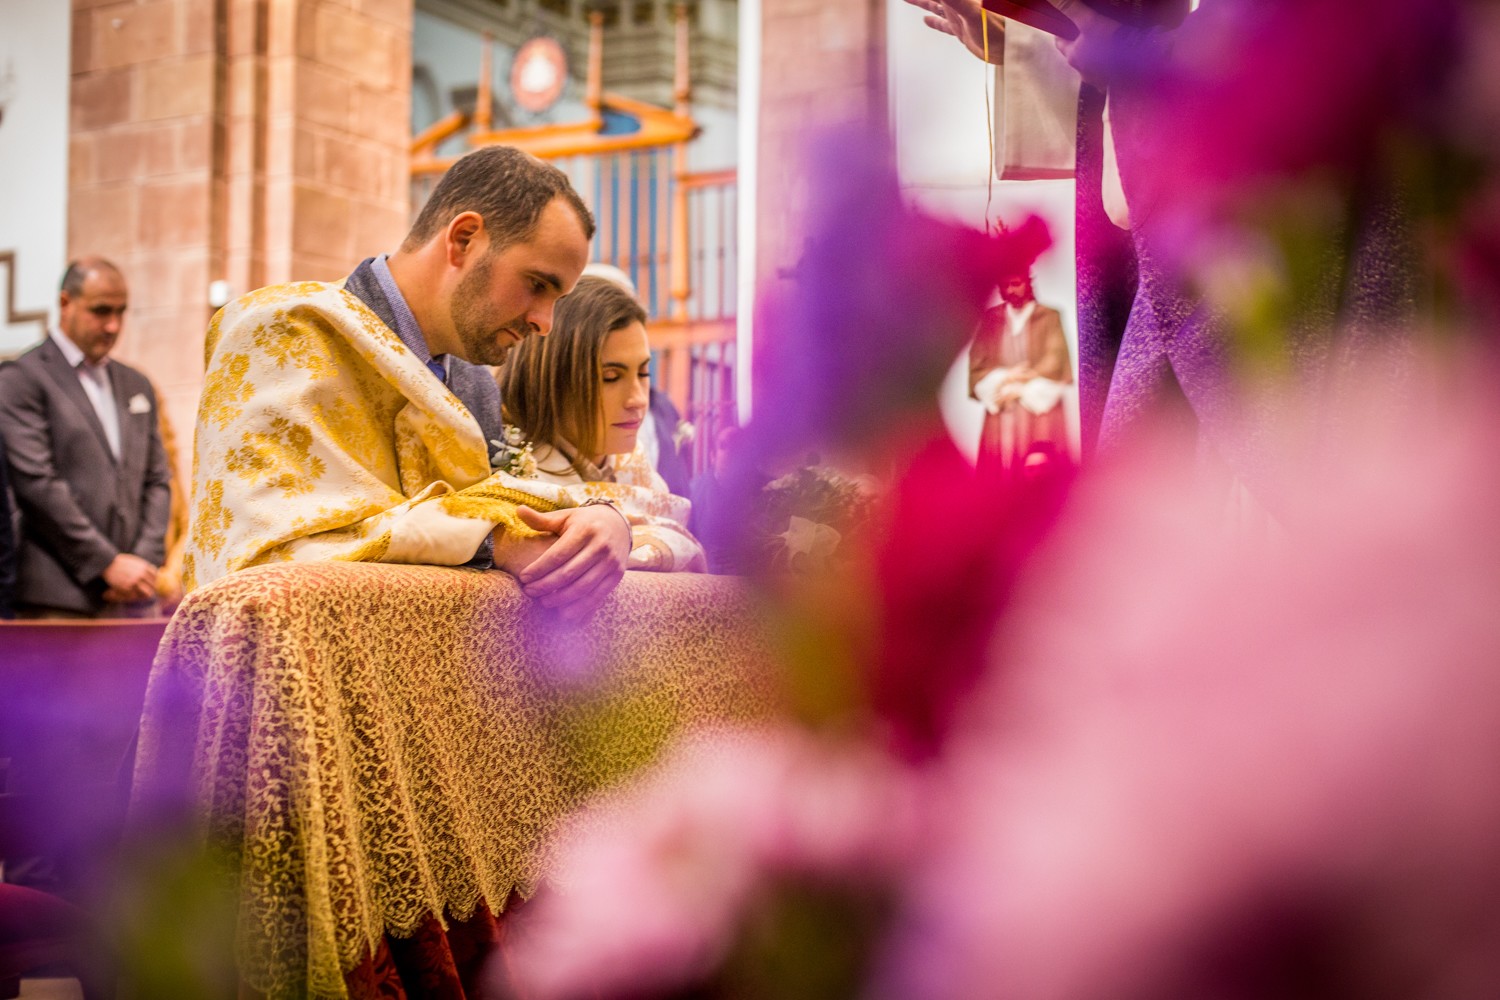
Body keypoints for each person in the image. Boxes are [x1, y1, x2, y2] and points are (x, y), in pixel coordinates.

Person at [185, 146, 631, 621]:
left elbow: (514, 506)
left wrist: (603, 519)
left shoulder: (475, 381)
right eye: (537, 285)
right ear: (463, 239)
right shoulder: (284, 330)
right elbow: (270, 548)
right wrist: (491, 539)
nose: (545, 322)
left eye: (558, 298)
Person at [496, 275, 706, 572]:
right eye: (611, 377)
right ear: (552, 380)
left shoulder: (641, 474)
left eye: (643, 374)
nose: (637, 399)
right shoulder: (511, 483)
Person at [0, 258, 172, 618]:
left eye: (121, 312)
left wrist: (142, 562)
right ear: (65, 303)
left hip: (133, 597)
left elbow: (157, 480)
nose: (113, 325)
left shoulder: (136, 384)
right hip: (60, 597)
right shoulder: (22, 378)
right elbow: (37, 484)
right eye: (100, 311)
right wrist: (106, 563)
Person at [968, 267, 1073, 475]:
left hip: (1038, 404)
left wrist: (1022, 388)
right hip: (1001, 402)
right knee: (999, 468)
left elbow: (1055, 360)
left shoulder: (1049, 316)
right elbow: (978, 362)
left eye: (1016, 284)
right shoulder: (991, 319)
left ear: (1027, 283)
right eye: (1006, 286)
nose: (1011, 290)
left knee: (1039, 464)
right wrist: (1006, 377)